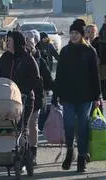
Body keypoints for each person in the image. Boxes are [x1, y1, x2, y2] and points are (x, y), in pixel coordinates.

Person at [53, 21, 101, 172]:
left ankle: (81, 158)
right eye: (72, 33)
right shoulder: (65, 51)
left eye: (77, 33)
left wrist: (97, 96)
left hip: (85, 97)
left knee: (82, 127)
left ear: (82, 35)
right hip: (68, 96)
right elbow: (59, 75)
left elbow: (95, 76)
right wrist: (56, 94)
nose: (73, 36)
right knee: (68, 125)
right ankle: (69, 151)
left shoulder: (90, 51)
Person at [0, 31, 41, 134]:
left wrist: (23, 91)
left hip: (24, 99)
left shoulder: (27, 59)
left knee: (20, 128)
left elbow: (36, 79)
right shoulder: (5, 57)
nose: (7, 43)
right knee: (6, 128)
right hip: (6, 99)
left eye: (9, 41)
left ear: (17, 42)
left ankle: (24, 147)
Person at [24, 30, 54, 165]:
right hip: (19, 99)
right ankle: (21, 152)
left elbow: (48, 80)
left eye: (31, 41)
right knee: (20, 127)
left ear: (36, 43)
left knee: (32, 125)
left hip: (36, 99)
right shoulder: (18, 58)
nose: (28, 43)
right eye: (26, 41)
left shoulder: (40, 60)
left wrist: (57, 92)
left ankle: (32, 154)